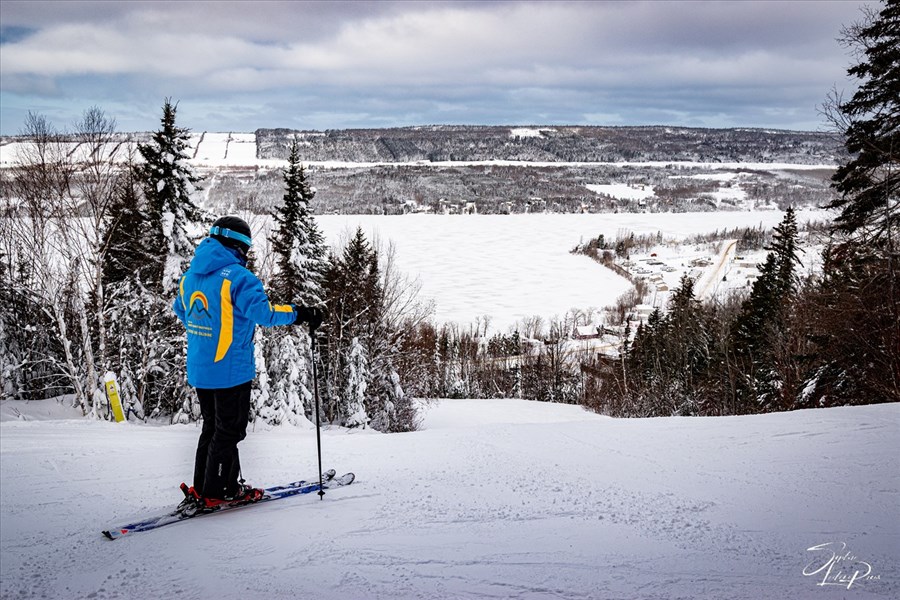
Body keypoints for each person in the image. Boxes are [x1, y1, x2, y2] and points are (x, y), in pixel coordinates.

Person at [173, 215, 323, 509]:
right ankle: (217, 491)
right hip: (230, 370)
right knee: (229, 431)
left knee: (212, 427)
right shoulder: (239, 278)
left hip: (202, 368)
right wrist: (301, 313)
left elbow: (182, 310)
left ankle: (209, 486)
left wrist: (211, 327)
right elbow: (264, 314)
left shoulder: (190, 276)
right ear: (239, 246)